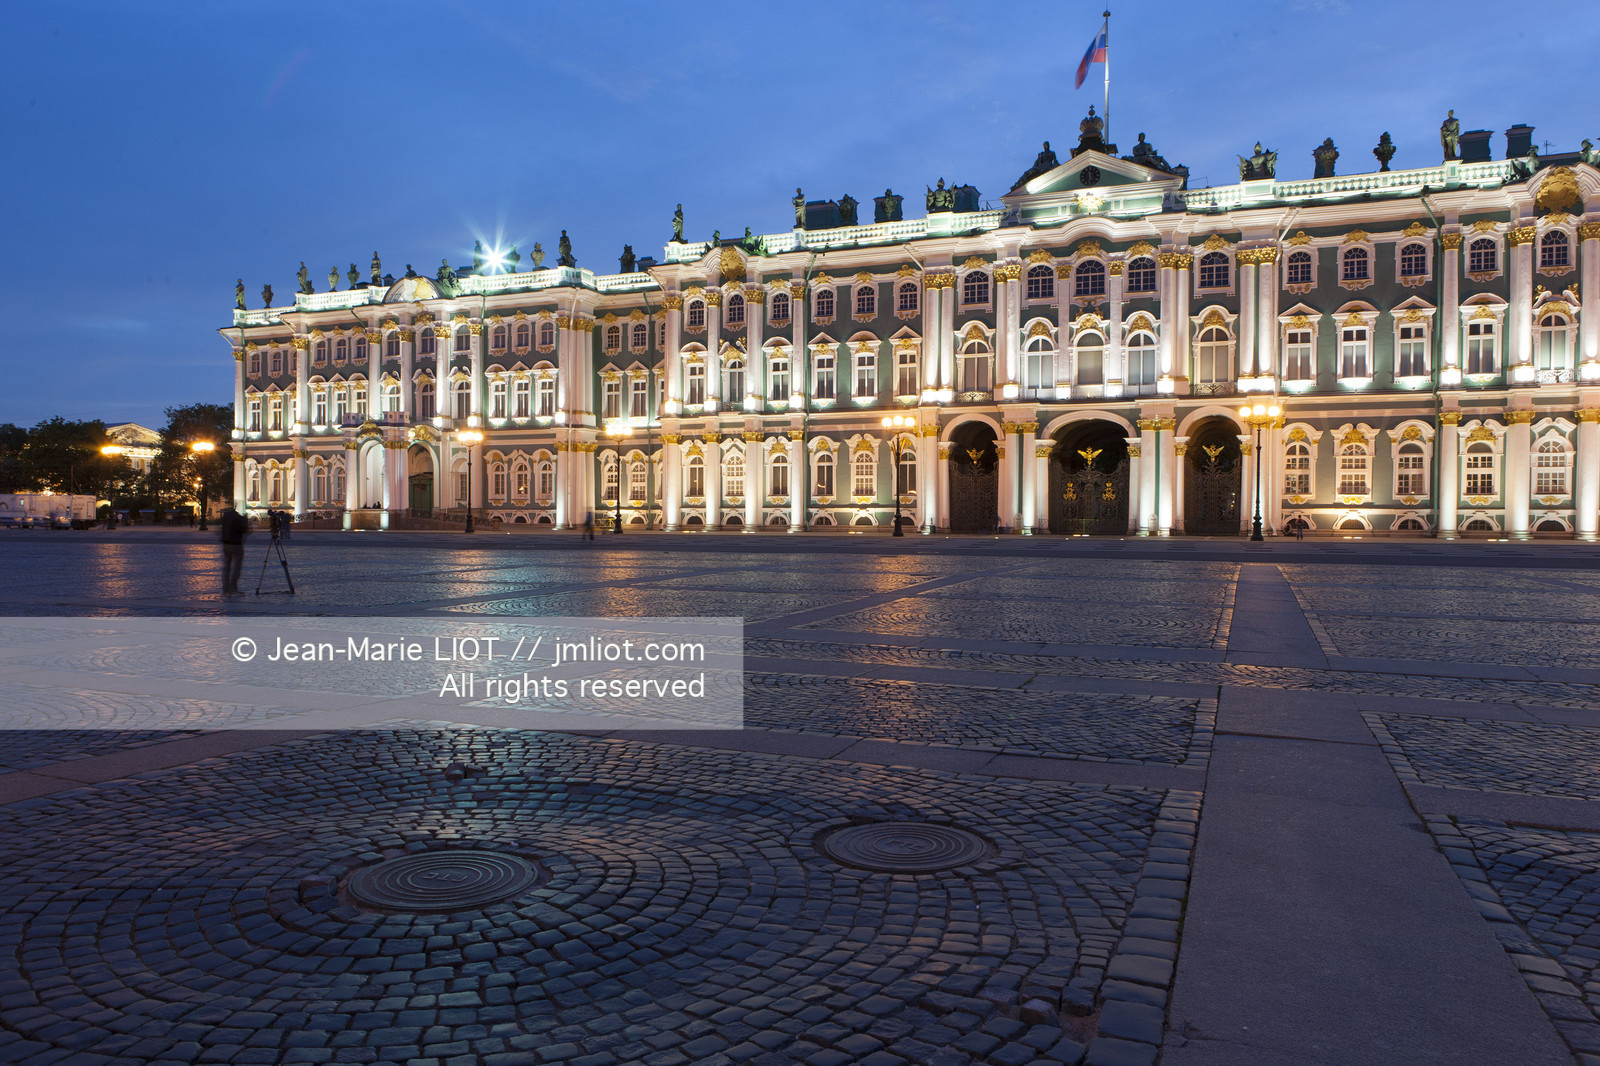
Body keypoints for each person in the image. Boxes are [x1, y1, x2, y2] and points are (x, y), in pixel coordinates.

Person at [219, 505, 248, 594]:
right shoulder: (239, 518)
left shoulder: (225, 518)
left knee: (226, 567)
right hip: (236, 544)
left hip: (226, 544)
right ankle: (233, 588)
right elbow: (243, 530)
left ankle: (226, 588)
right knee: (237, 567)